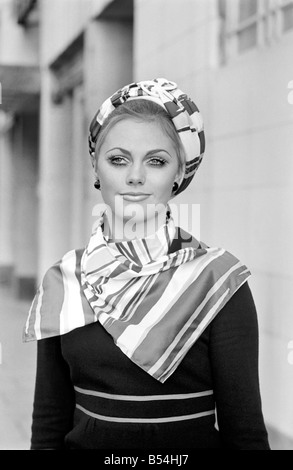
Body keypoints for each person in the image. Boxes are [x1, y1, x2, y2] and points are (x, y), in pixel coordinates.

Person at [23, 78, 270, 450]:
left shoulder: (217, 280)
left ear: (178, 174)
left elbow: (246, 433)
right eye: (118, 159)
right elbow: (48, 425)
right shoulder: (64, 280)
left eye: (156, 161)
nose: (135, 176)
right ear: (95, 167)